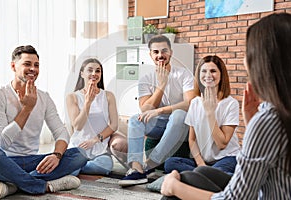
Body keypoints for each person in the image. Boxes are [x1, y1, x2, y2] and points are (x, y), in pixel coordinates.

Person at [161, 13, 291, 199]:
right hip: (211, 164)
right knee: (193, 171)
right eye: (204, 71)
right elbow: (192, 140)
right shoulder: (272, 114)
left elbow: (236, 197)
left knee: (178, 185)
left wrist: (174, 187)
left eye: (248, 53)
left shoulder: (265, 116)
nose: (245, 61)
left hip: (226, 161)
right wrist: (252, 122)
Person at [0, 45, 88, 199]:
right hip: (4, 160)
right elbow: (2, 142)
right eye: (27, 64)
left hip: (34, 161)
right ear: (13, 66)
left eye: (36, 65)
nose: (33, 69)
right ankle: (42, 185)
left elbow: (61, 132)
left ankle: (13, 184)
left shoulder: (44, 97)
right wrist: (27, 108)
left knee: (80, 155)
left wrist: (56, 155)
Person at [118, 35, 195, 186]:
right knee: (135, 119)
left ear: (171, 52)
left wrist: (160, 111)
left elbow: (190, 103)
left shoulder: (184, 74)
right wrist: (162, 85)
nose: (160, 55)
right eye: (156, 52)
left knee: (179, 114)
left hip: (182, 126)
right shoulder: (146, 78)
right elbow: (146, 109)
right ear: (151, 55)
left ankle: (149, 164)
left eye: (164, 51)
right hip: (160, 126)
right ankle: (136, 168)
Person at [164, 55, 240, 175]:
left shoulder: (231, 104)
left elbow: (222, 144)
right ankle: (207, 176)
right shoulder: (195, 102)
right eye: (204, 71)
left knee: (219, 170)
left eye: (213, 71)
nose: (208, 75)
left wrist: (210, 113)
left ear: (222, 75)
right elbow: (192, 139)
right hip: (204, 161)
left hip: (227, 158)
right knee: (170, 163)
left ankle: (201, 176)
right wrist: (201, 164)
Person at [66, 58, 127, 175]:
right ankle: (74, 166)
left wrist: (94, 140)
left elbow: (114, 125)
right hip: (79, 147)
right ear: (82, 73)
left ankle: (77, 167)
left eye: (98, 71)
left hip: (99, 147)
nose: (94, 74)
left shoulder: (108, 96)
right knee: (72, 170)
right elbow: (77, 126)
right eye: (90, 70)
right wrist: (88, 102)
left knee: (104, 167)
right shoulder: (72, 97)